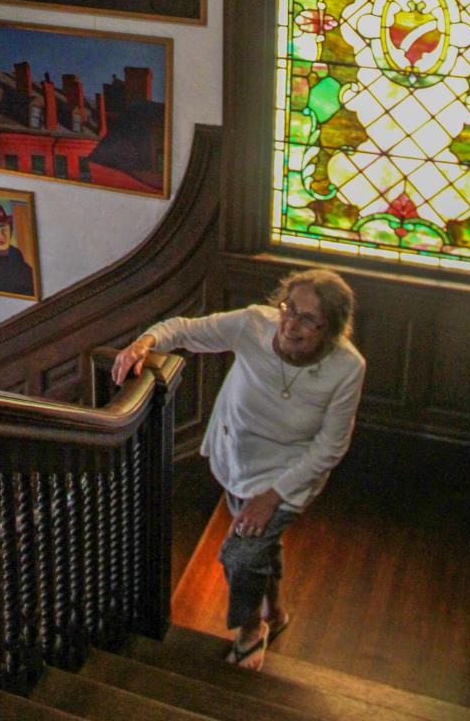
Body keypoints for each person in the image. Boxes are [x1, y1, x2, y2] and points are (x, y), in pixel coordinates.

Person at [112, 268, 365, 671]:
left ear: (331, 330)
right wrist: (144, 343)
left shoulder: (347, 368)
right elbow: (184, 330)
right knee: (258, 540)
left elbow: (331, 445)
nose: (290, 323)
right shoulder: (253, 324)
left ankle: (250, 630)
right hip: (236, 456)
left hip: (289, 474)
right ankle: (276, 610)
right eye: (289, 308)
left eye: (307, 319)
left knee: (241, 556)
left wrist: (270, 497)